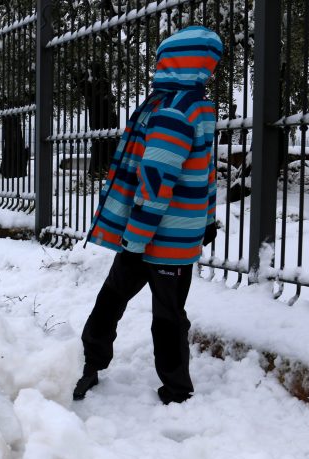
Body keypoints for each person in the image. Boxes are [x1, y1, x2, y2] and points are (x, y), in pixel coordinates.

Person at [74, 26, 222, 405]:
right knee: (167, 312)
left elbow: (155, 182)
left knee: (122, 303)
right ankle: (164, 384)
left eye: (162, 60)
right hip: (176, 238)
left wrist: (136, 238)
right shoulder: (197, 108)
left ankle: (109, 368)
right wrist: (206, 220)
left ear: (175, 64)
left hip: (153, 238)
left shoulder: (171, 112)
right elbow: (205, 175)